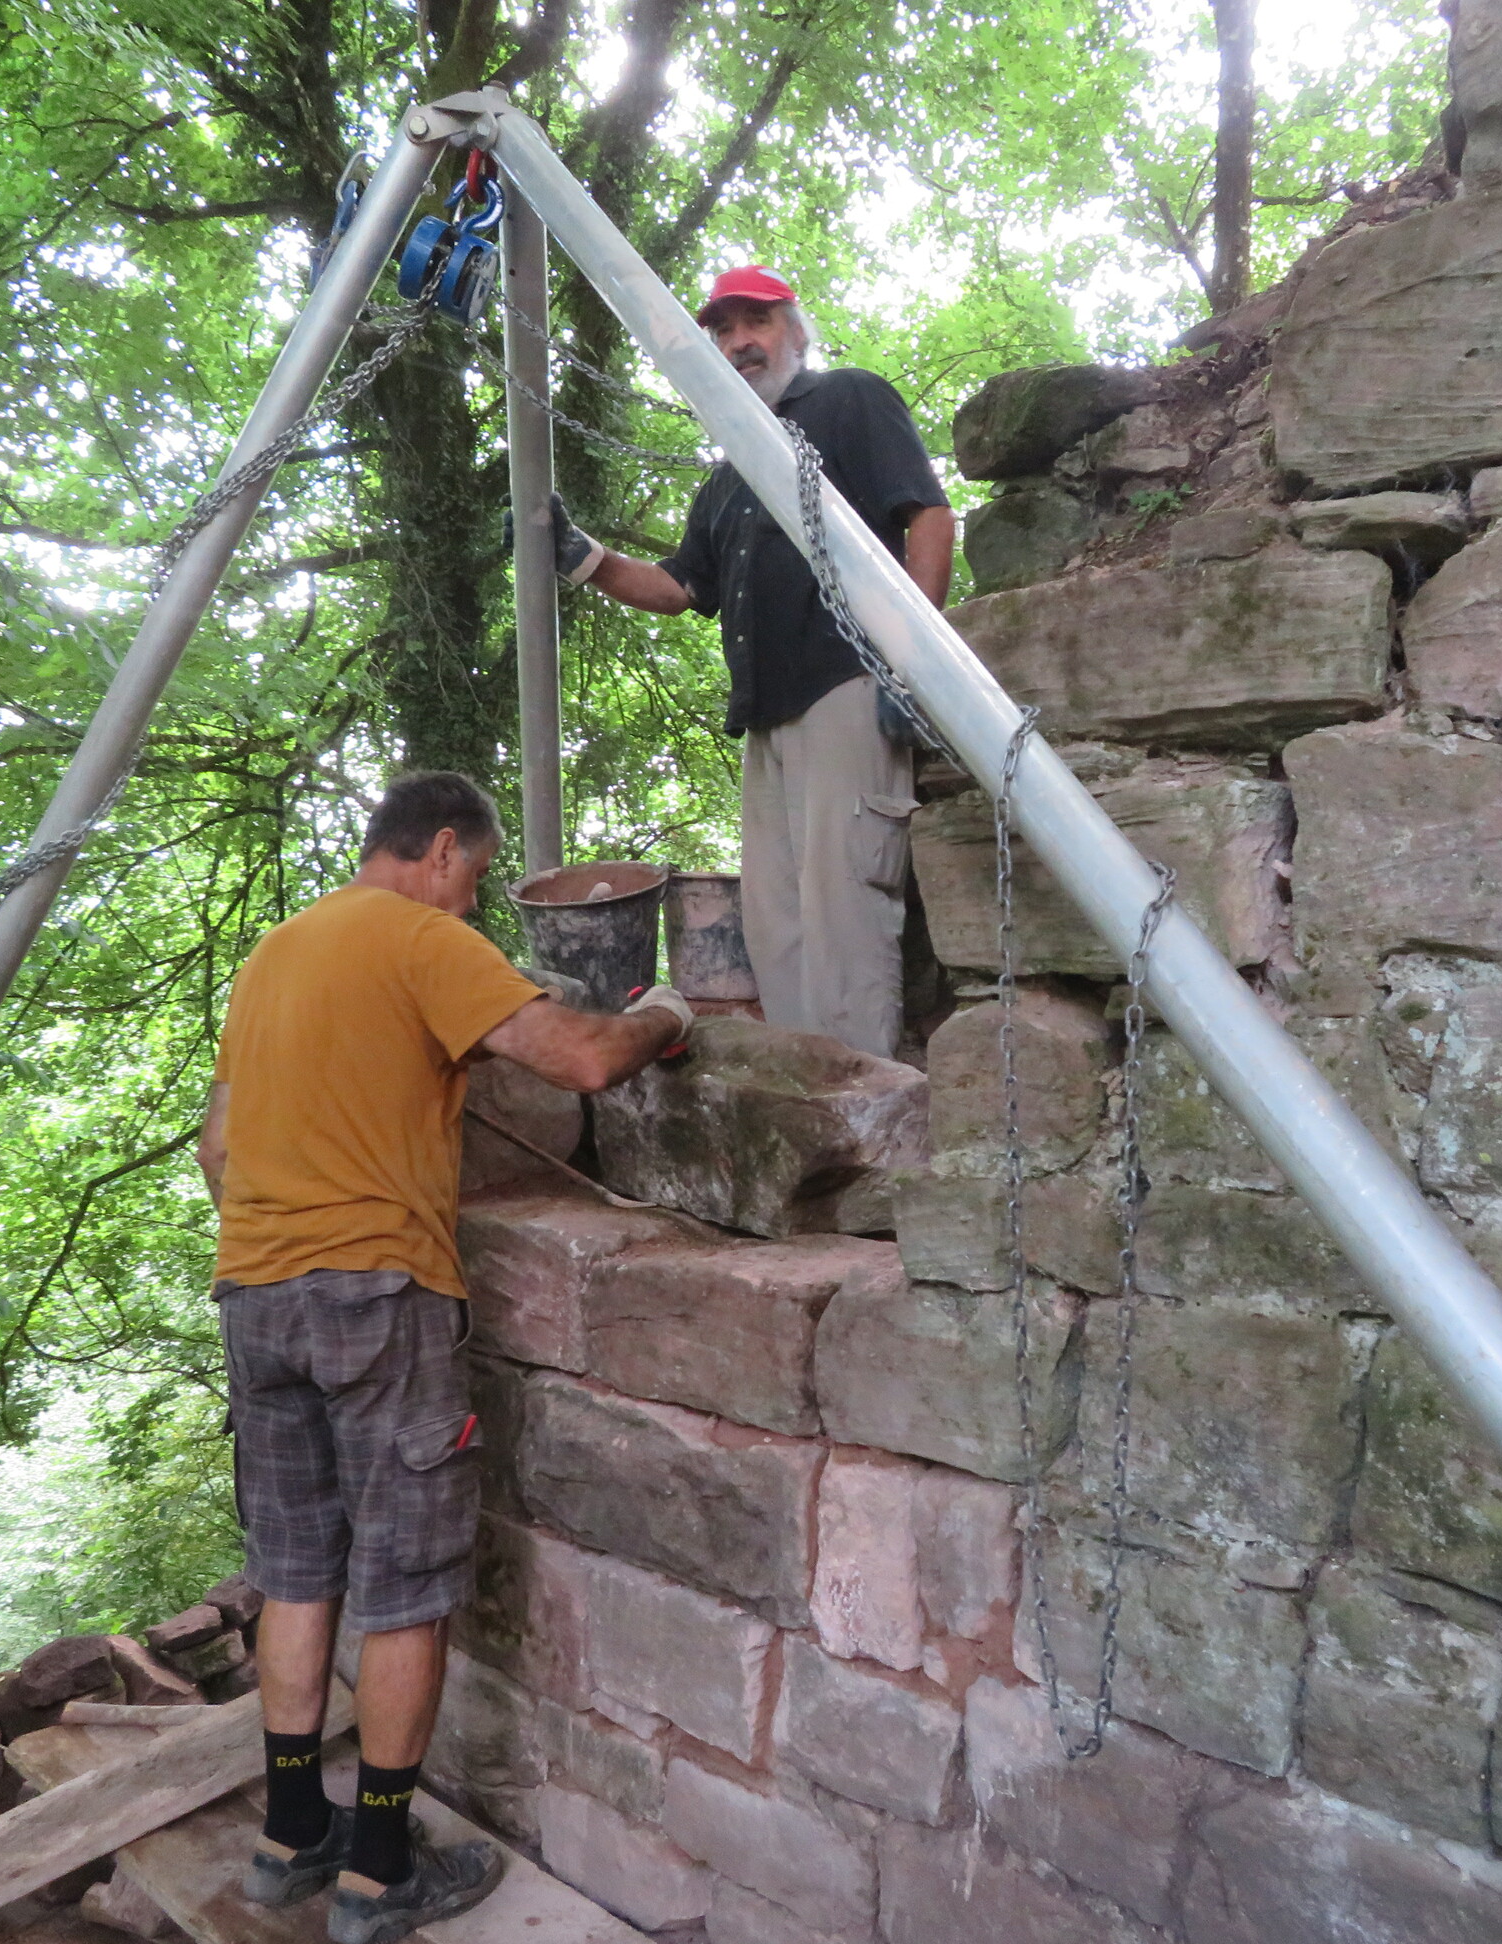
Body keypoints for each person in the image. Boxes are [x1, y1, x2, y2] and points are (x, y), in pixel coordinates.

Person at [197, 770, 691, 1944]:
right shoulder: (419, 937)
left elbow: (217, 1146)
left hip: (254, 1292)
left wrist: (291, 1239)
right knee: (407, 1587)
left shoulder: (274, 956)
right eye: (474, 878)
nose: (471, 902)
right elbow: (580, 1058)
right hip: (379, 1293)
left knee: (296, 1573)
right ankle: (378, 1873)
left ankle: (290, 1839)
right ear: (442, 850)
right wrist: (667, 1015)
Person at [548, 265, 954, 1061]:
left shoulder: (848, 399)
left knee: (843, 911)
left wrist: (911, 664)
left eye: (756, 322)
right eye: (724, 329)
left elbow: (930, 516)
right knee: (777, 924)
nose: (739, 342)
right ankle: (807, 1093)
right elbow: (677, 588)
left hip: (847, 684)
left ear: (795, 333)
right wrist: (584, 558)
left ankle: (866, 1097)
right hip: (766, 718)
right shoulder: (729, 474)